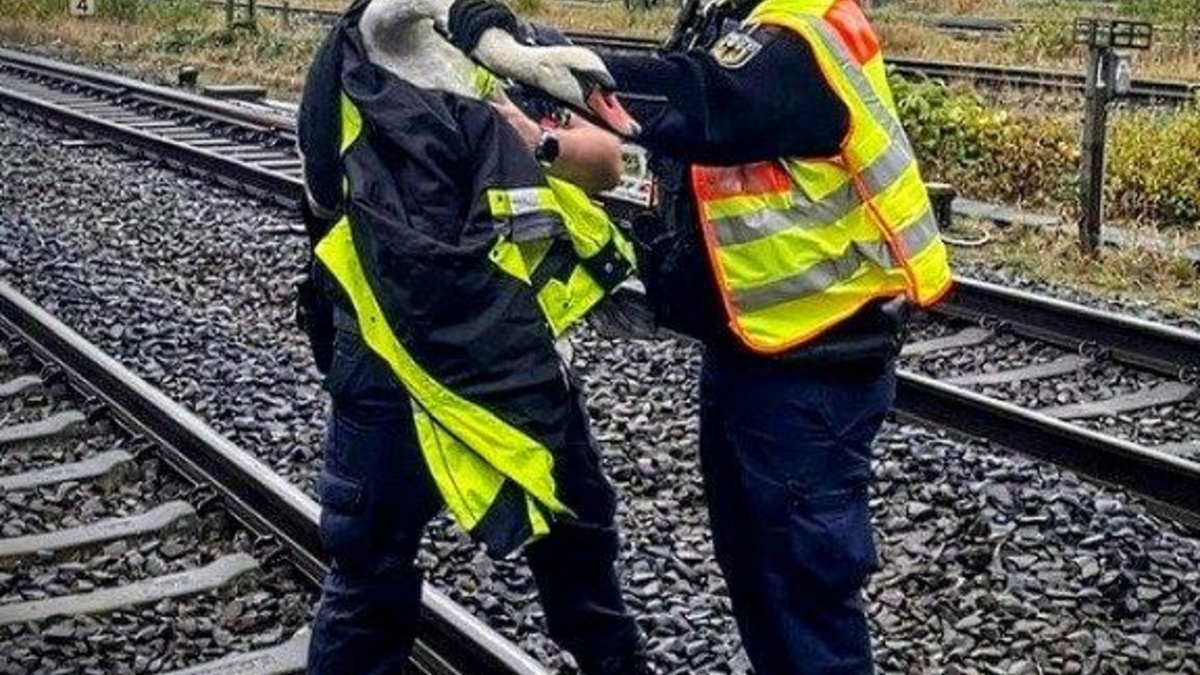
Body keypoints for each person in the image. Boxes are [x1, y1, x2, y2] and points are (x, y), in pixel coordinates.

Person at [444, 0, 954, 673]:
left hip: (813, 363)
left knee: (804, 595)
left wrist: (522, 59)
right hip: (752, 349)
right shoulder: (731, 17)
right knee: (759, 576)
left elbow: (697, 98)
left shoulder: (800, 34)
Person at [295, 1, 655, 673]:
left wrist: (537, 142)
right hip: (391, 357)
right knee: (370, 567)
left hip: (517, 350)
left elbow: (609, 161)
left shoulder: (534, 53)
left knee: (579, 546)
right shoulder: (366, 48)